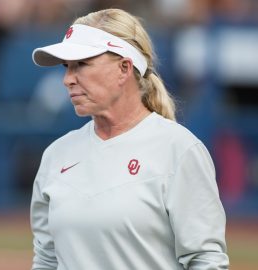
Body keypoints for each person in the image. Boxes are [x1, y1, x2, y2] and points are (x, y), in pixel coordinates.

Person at [30, 8, 229, 270]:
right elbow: (46, 260)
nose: (67, 79)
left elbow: (206, 261)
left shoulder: (179, 149)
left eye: (81, 64)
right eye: (67, 67)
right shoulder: (56, 155)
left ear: (124, 68)